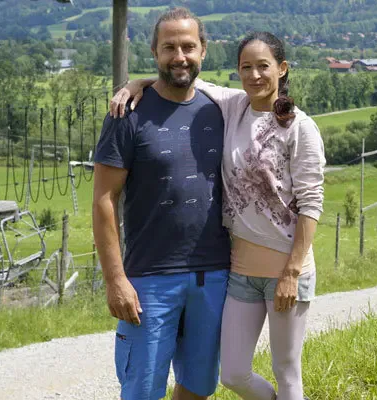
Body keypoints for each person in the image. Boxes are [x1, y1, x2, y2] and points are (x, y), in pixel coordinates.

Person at [113, 31, 326, 400]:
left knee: (287, 371)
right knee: (233, 374)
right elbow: (184, 76)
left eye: (264, 67)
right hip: (241, 269)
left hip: (286, 270)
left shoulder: (300, 128)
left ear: (282, 68)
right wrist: (137, 83)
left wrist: (291, 272)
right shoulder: (233, 106)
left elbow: (311, 202)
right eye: (246, 67)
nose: (255, 76)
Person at [91, 8, 231, 400]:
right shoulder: (127, 114)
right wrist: (115, 280)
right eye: (169, 47)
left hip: (214, 273)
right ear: (154, 51)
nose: (180, 56)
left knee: (199, 387)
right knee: (142, 389)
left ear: (203, 50)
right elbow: (104, 200)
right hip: (148, 279)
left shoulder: (219, 110)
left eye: (188, 46)